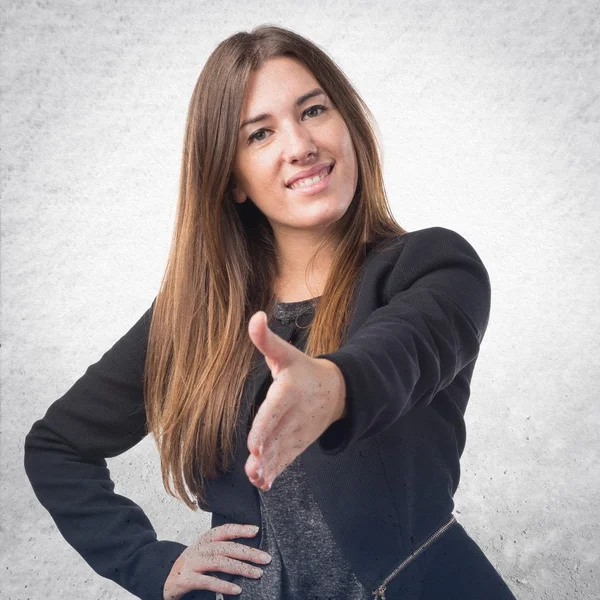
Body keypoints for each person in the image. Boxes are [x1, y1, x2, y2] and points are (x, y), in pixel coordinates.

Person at [24, 24, 517, 600]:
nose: (300, 144)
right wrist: (151, 566)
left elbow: (403, 350)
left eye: (313, 111)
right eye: (259, 133)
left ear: (348, 124)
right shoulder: (197, 313)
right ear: (231, 178)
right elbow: (56, 447)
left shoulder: (435, 265)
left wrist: (331, 386)